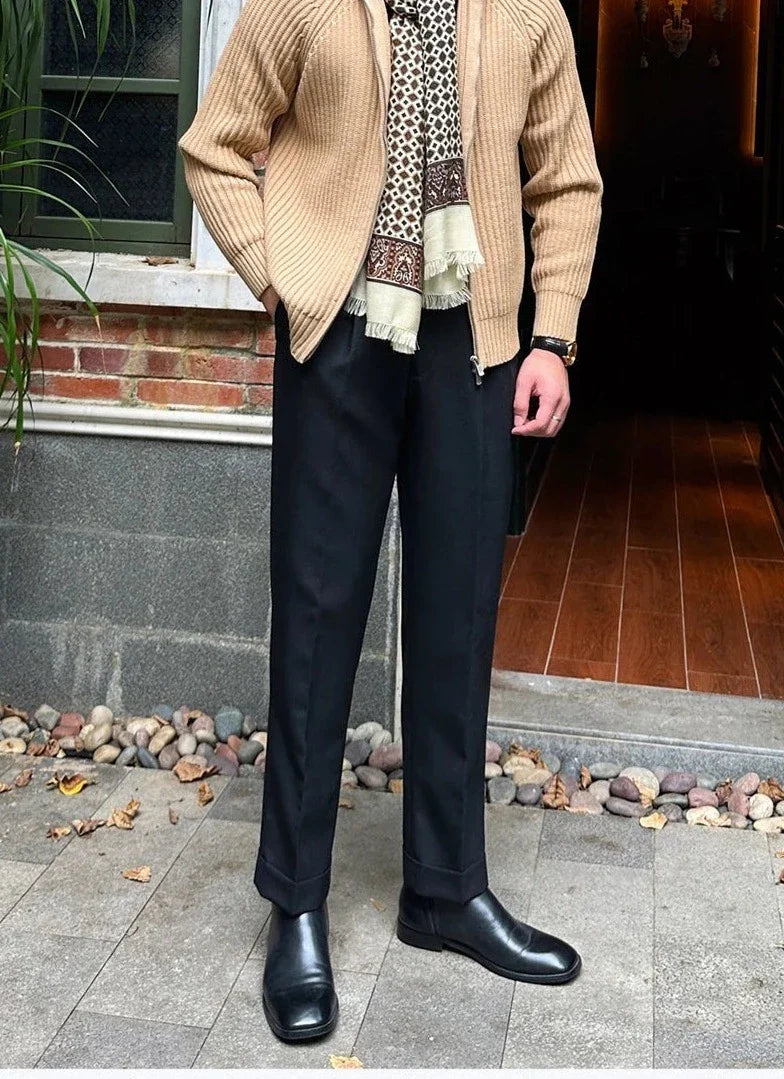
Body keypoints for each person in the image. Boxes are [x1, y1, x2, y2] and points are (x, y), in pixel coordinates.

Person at [179, 0, 603, 1044]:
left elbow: (567, 182)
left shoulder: (527, 13)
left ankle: (445, 890)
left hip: (477, 340)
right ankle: (298, 902)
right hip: (341, 339)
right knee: (318, 616)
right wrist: (286, 280)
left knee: (458, 613)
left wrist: (551, 337)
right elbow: (215, 147)